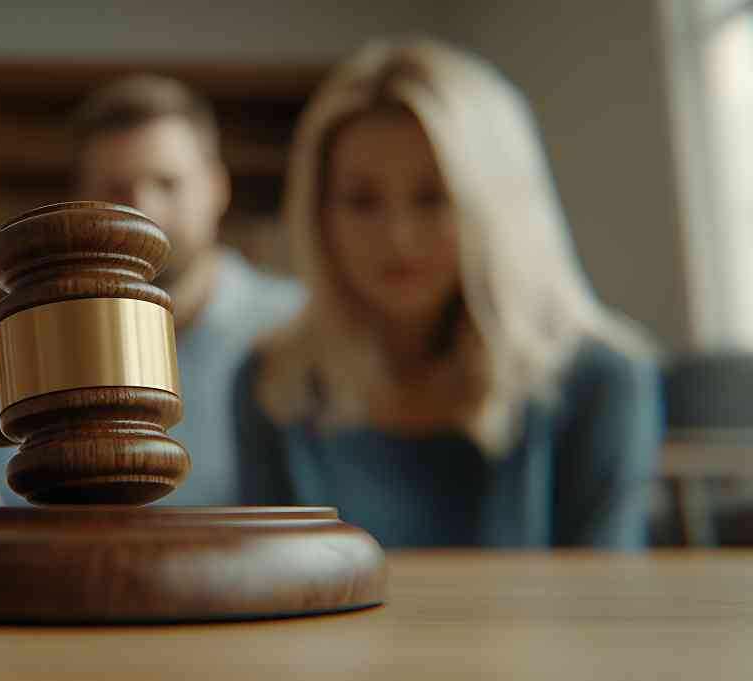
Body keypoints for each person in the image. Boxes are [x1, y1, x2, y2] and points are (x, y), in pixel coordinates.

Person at [234, 38, 662, 549]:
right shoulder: (274, 383)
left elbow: (603, 604)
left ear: (497, 205)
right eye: (361, 200)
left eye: (434, 198)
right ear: (319, 215)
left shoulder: (601, 381)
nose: (398, 237)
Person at [72, 75, 304, 505]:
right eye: (116, 189)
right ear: (84, 202)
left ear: (218, 188)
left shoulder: (299, 327)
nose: (143, 210)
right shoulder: (54, 351)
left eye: (167, 183)